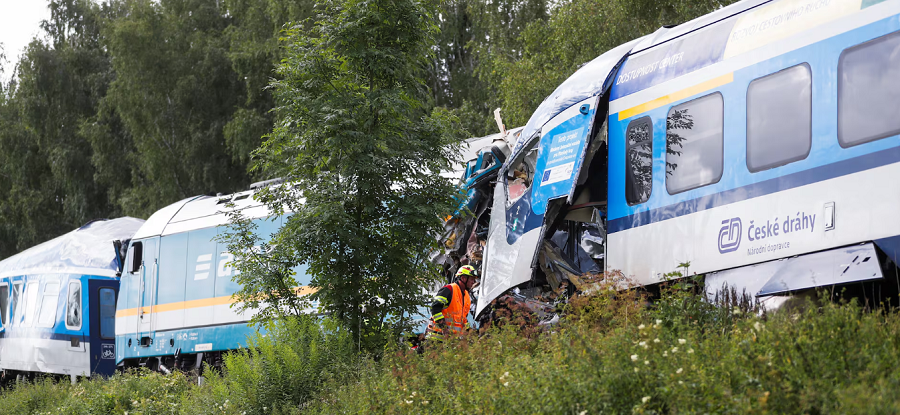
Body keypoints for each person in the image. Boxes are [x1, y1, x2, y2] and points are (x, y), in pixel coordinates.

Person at [425, 265, 478, 341]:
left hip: (451, 340)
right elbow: (435, 308)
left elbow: (463, 319)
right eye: (472, 279)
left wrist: (470, 332)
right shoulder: (449, 289)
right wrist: (444, 328)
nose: (473, 282)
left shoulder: (466, 295)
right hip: (436, 338)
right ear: (463, 278)